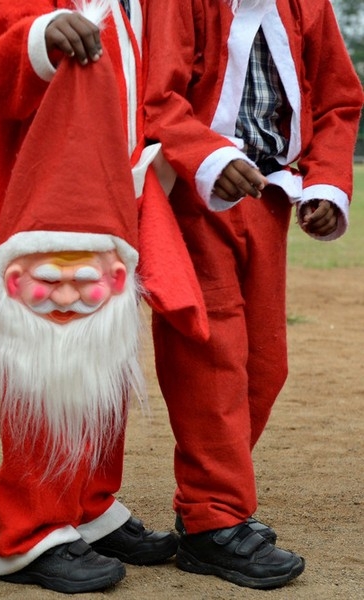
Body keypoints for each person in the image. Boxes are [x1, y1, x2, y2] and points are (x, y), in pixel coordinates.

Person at [0, 0, 200, 594]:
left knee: (103, 367)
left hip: (119, 203)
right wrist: (41, 35)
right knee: (50, 371)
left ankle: (89, 505)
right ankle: (30, 532)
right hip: (53, 208)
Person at [143, 0, 364, 590]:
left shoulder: (307, 5)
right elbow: (157, 96)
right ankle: (213, 518)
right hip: (196, 197)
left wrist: (326, 184)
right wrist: (209, 155)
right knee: (210, 356)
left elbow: (339, 99)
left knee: (265, 363)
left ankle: (211, 500)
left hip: (270, 198)